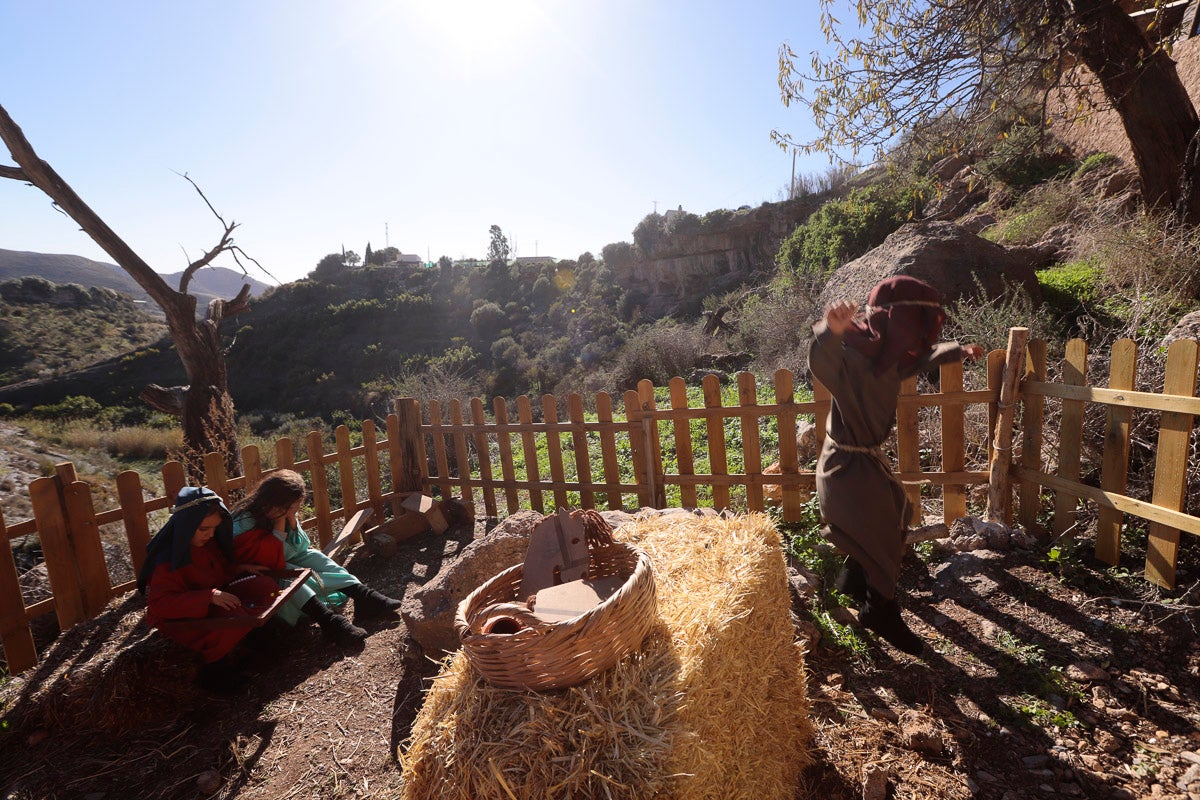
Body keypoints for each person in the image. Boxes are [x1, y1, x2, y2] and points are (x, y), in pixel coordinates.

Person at [809, 275, 984, 655]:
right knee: (883, 538)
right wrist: (830, 330)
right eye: (915, 325)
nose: (916, 336)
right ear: (898, 320)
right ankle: (880, 612)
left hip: (862, 464)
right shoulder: (854, 356)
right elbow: (822, 362)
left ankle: (852, 582)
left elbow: (916, 360)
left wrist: (957, 351)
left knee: (898, 512)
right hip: (845, 469)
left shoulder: (886, 354)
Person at [230, 469, 402, 647]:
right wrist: (280, 527)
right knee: (289, 575)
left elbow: (301, 547)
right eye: (291, 508)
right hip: (257, 575)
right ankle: (328, 621)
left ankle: (363, 596)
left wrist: (291, 522)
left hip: (281, 559)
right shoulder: (244, 522)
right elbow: (272, 558)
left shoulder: (282, 512)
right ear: (275, 501)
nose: (293, 511)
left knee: (313, 556)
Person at [138, 486, 279, 693]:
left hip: (213, 599)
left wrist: (239, 569)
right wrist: (209, 596)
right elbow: (161, 605)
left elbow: (218, 572)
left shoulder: (206, 543)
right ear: (187, 525)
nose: (211, 535)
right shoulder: (167, 560)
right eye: (204, 529)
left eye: (214, 528)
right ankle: (217, 675)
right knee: (233, 612)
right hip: (185, 616)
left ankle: (260, 644)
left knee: (265, 586)